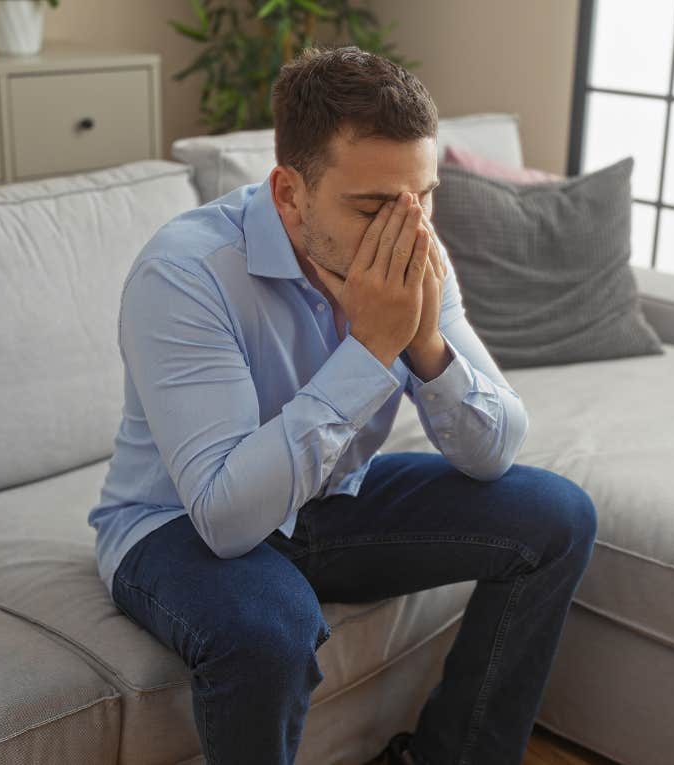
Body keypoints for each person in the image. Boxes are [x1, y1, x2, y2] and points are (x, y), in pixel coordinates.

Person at [87, 44, 598, 765]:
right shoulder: (185, 273)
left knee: (558, 515)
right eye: (372, 206)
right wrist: (368, 352)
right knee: (271, 625)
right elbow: (227, 517)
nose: (407, 229)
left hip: (327, 498)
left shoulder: (414, 248)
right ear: (290, 194)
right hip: (175, 522)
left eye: (422, 197)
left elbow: (496, 448)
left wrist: (423, 343)